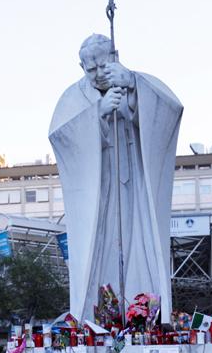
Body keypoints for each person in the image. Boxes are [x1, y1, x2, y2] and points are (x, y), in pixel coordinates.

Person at [50, 33, 182, 323]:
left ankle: (146, 314)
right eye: (90, 69)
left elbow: (171, 110)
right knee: (101, 247)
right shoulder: (74, 97)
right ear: (81, 66)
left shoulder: (135, 82)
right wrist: (97, 112)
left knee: (141, 242)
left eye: (103, 65)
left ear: (116, 55)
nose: (97, 74)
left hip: (135, 185)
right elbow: (60, 137)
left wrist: (133, 85)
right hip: (99, 190)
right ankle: (98, 318)